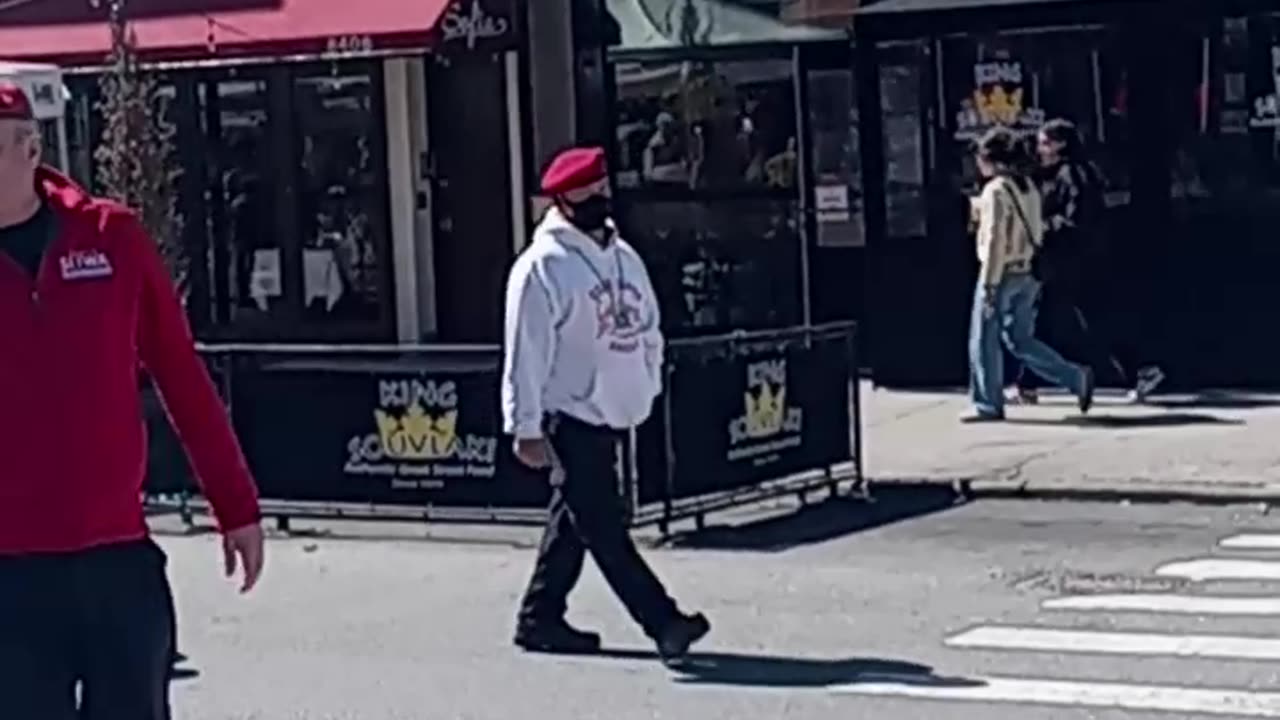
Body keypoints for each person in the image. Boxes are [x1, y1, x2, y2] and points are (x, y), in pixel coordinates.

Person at [0, 82, 265, 719]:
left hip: (116, 557)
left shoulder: (110, 237)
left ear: (29, 147)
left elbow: (180, 374)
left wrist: (235, 503)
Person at [503, 146, 709, 664]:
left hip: (615, 412)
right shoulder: (541, 268)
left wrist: (648, 379)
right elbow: (525, 353)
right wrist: (524, 427)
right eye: (585, 191)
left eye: (601, 187)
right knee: (603, 527)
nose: (598, 198)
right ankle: (663, 621)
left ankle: (539, 616)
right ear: (561, 199)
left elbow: (650, 326)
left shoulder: (625, 257)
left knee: (572, 522)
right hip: (568, 415)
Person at [1008, 118, 1165, 405]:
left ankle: (1140, 368)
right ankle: (1026, 383)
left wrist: (1044, 226)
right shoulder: (1059, 174)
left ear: (1060, 144)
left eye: (1045, 143)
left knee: (1089, 319)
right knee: (1049, 320)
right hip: (1067, 259)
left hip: (1075, 260)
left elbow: (1079, 219)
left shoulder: (1073, 175)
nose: (1040, 150)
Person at [964, 127, 1094, 422]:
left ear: (992, 160)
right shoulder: (1028, 187)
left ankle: (987, 402)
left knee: (984, 339)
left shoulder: (996, 190)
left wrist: (989, 283)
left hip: (1002, 272)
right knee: (1020, 339)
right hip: (1029, 272)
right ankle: (1074, 377)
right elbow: (1036, 229)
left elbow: (997, 238)